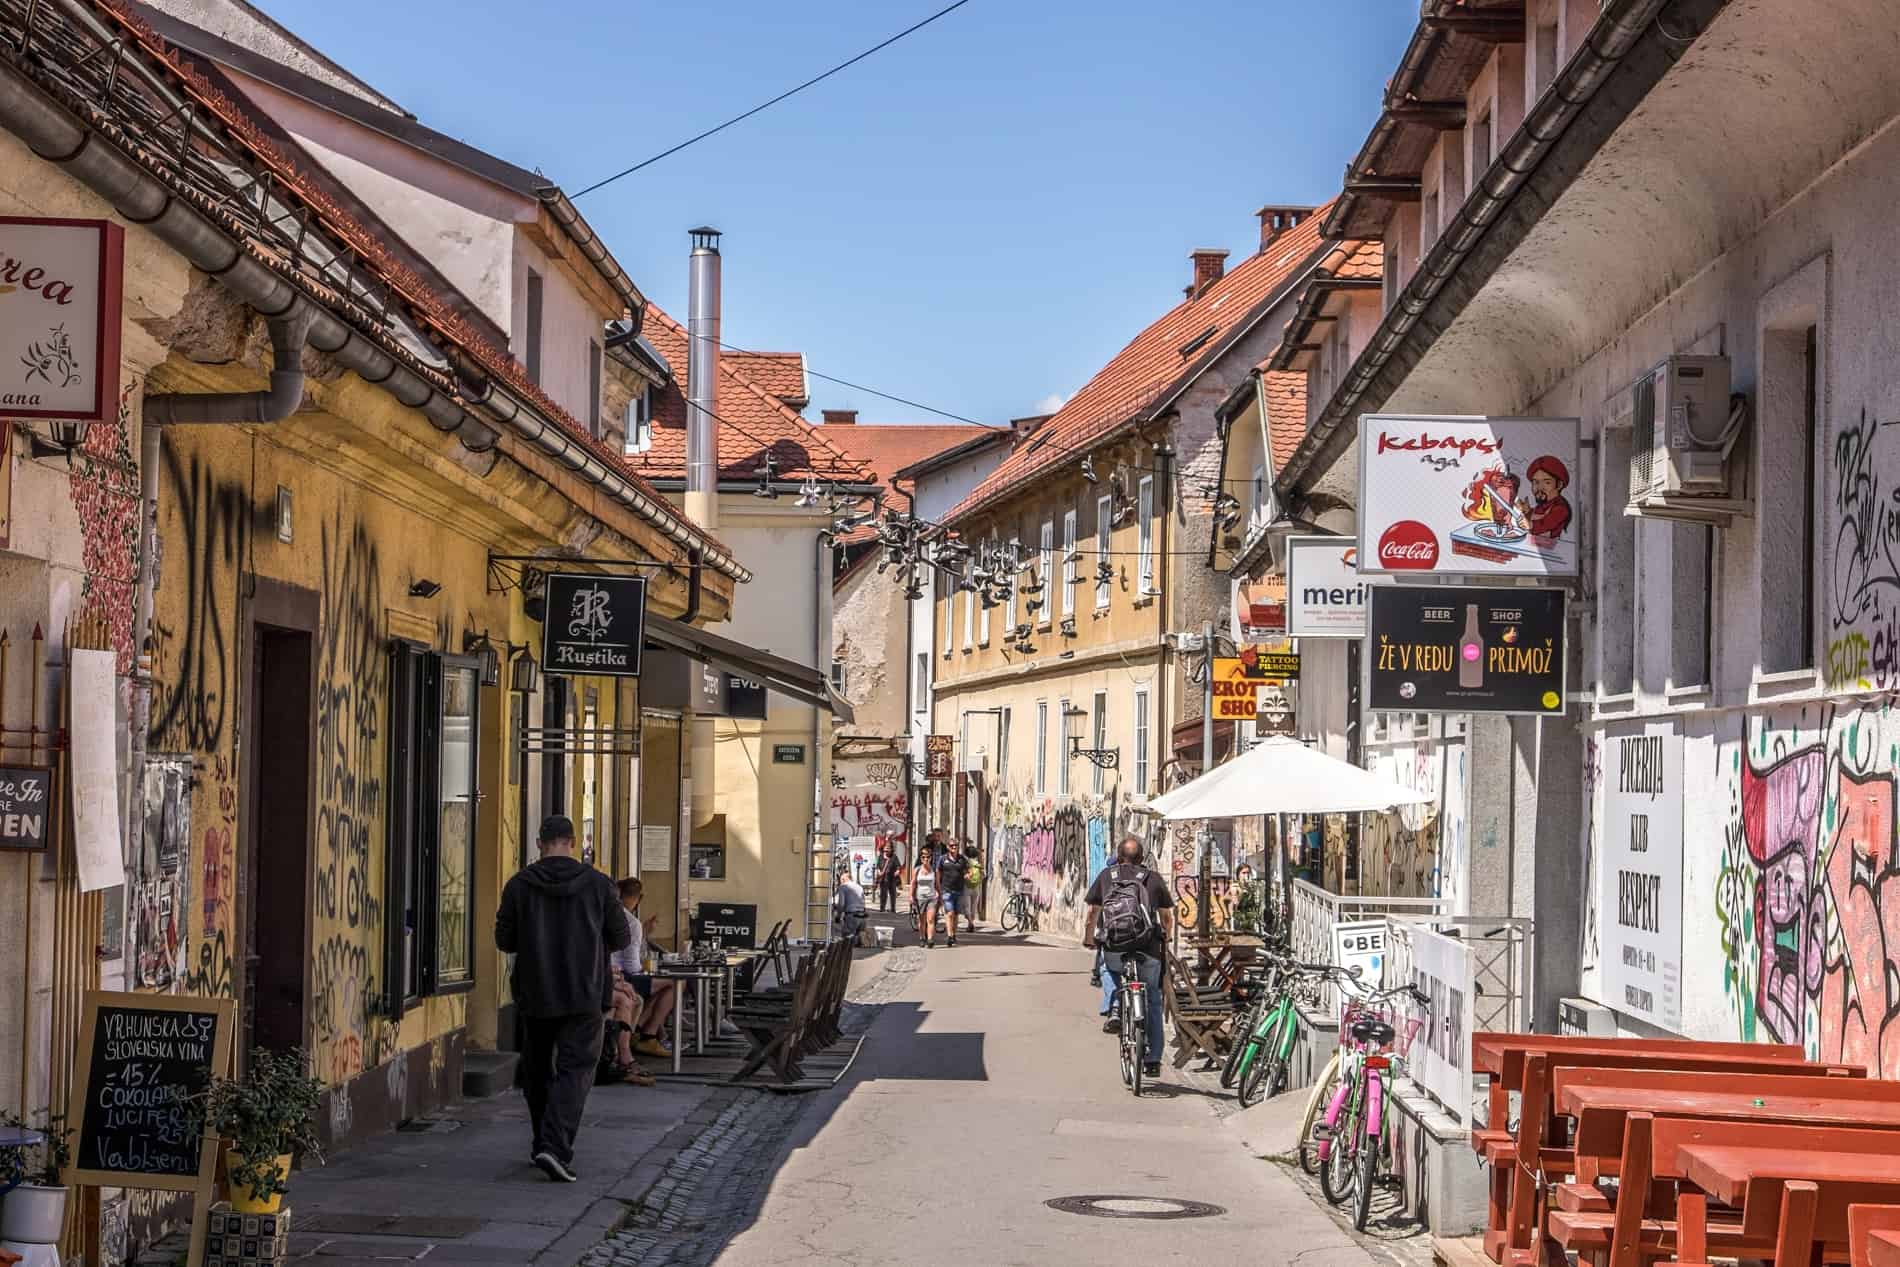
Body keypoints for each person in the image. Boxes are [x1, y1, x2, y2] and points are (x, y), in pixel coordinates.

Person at [496, 815, 630, 1183]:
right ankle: (554, 1148)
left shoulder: (519, 885)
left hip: (535, 991)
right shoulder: (599, 885)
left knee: (537, 1069)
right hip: (585, 991)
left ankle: (543, 1140)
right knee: (576, 1070)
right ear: (573, 843)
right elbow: (620, 938)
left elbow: (503, 940)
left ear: (540, 843)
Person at [1084, 835, 1175, 1080]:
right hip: (1148, 948)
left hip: (1115, 946)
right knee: (1154, 1001)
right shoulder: (1153, 878)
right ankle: (1154, 1059)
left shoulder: (1107, 876)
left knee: (1107, 968)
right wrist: (1166, 937)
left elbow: (1093, 911)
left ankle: (1114, 1007)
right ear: (1143, 857)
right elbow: (1166, 918)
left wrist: (1089, 937)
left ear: (1118, 855)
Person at [612, 878, 676, 1060]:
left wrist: (645, 932)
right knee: (676, 984)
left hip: (612, 974)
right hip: (623, 976)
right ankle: (648, 1035)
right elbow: (632, 966)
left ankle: (641, 1030)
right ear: (639, 898)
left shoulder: (610, 916)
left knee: (659, 987)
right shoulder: (631, 922)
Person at [934, 833, 970, 947]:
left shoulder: (962, 859)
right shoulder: (942, 859)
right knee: (949, 913)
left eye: (956, 846)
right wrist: (938, 887)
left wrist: (968, 875)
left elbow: (968, 870)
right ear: (948, 847)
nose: (954, 847)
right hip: (946, 890)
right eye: (952, 845)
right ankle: (949, 936)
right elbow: (938, 873)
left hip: (959, 890)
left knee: (956, 914)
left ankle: (954, 934)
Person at [911, 838, 940, 947]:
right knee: (922, 920)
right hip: (920, 898)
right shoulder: (917, 870)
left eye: (928, 857)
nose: (926, 859)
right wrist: (911, 896)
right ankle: (922, 937)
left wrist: (940, 897)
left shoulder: (934, 870)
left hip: (932, 897)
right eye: (923, 857)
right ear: (921, 858)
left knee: (931, 919)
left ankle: (930, 939)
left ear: (931, 858)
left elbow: (937, 885)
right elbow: (913, 883)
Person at [834, 866, 867, 942]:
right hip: (862, 916)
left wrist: (838, 916)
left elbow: (841, 904)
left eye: (841, 880)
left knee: (846, 939)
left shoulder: (843, 887)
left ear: (843, 879)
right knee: (858, 941)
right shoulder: (859, 887)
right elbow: (863, 901)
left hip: (852, 916)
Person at [875, 844, 902, 913]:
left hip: (892, 878)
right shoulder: (881, 857)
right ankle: (882, 908)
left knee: (892, 894)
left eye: (888, 848)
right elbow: (878, 866)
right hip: (883, 878)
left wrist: (897, 871)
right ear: (883, 849)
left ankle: (893, 909)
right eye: (885, 848)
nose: (886, 850)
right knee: (883, 894)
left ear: (891, 849)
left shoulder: (894, 857)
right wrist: (879, 872)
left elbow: (898, 866)